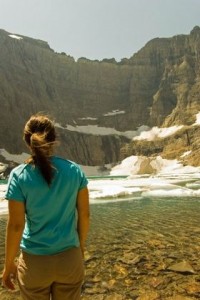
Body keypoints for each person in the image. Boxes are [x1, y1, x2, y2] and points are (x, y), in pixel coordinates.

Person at [2, 114, 90, 300]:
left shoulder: (19, 176)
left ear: (27, 141)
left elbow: (16, 225)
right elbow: (84, 215)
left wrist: (8, 264)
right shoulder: (74, 171)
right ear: (53, 138)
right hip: (70, 260)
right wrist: (80, 248)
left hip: (35, 264)